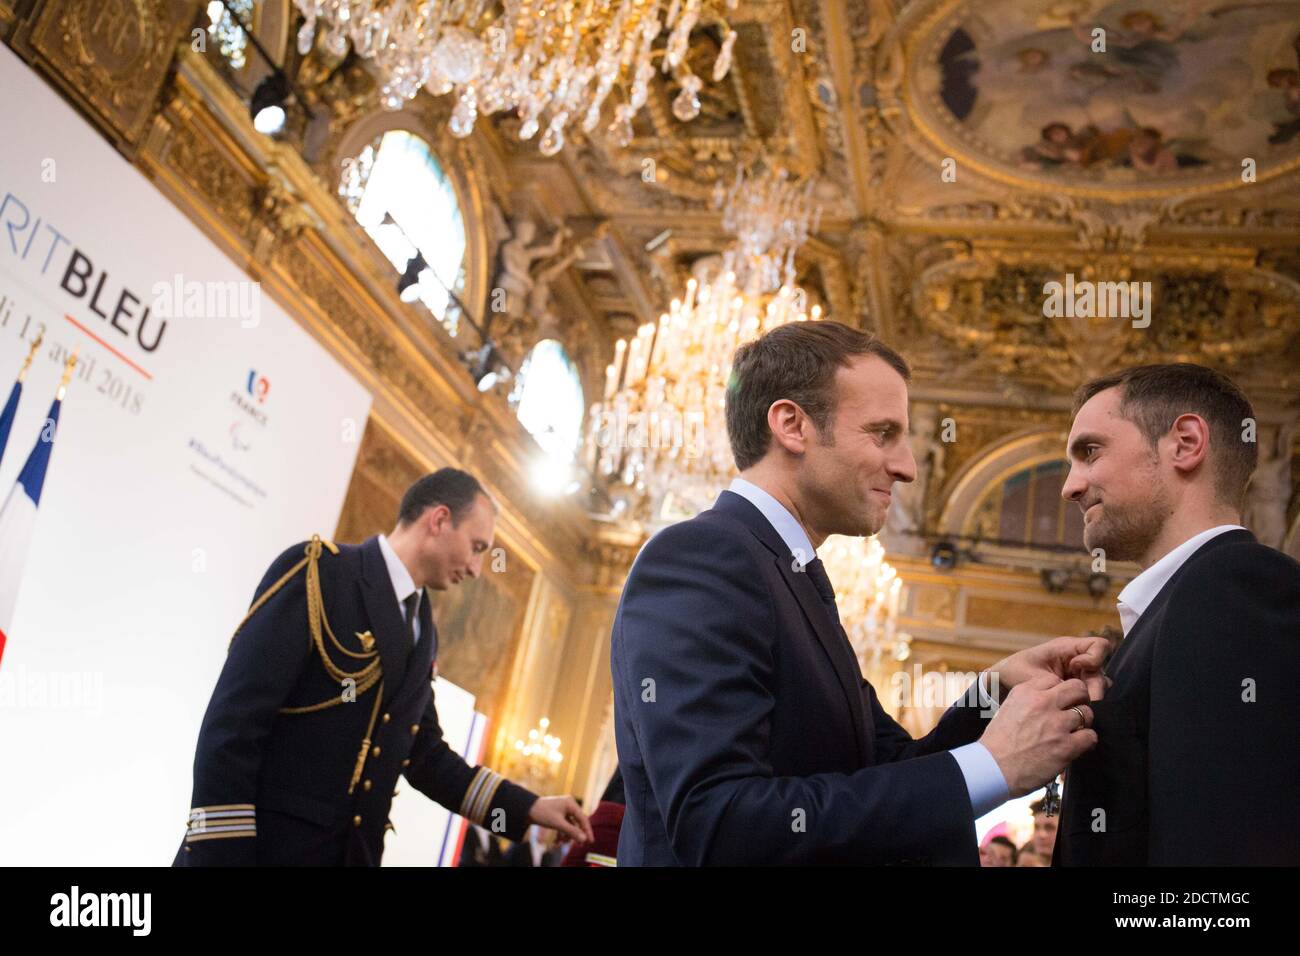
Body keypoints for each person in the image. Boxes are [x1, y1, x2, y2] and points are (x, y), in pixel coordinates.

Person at [611, 321, 1107, 865]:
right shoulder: (704, 557)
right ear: (792, 425)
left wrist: (997, 692)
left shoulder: (787, 573)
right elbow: (719, 823)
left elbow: (884, 765)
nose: (907, 467)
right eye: (882, 433)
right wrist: (995, 767)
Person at [175, 468, 593, 865]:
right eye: (477, 547)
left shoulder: (422, 630)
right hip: (262, 853)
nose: (476, 568)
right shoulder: (320, 574)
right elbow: (233, 727)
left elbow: (426, 756)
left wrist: (531, 807)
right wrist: (223, 857)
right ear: (439, 519)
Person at [1055, 364, 1300, 865]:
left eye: (1090, 452)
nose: (1070, 487)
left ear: (1185, 444)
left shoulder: (1233, 587)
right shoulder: (1180, 606)